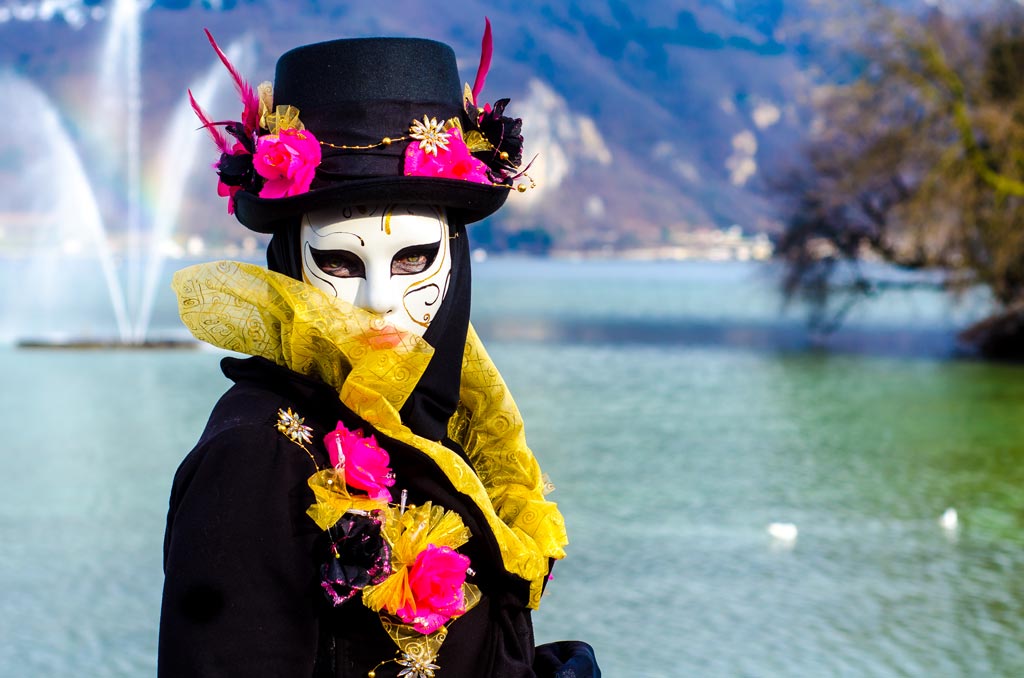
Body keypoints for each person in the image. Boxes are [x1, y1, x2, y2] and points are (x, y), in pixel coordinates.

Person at [159, 25, 600, 678]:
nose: (378, 302)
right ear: (288, 262)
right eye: (339, 259)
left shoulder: (447, 416)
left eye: (414, 258)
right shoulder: (256, 455)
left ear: (456, 259)